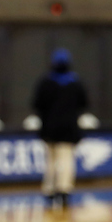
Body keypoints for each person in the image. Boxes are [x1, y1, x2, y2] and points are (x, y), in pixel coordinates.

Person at [31, 48, 88, 210]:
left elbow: (36, 104)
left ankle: (49, 191)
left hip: (49, 129)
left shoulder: (45, 82)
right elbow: (84, 103)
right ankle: (64, 191)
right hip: (68, 129)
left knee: (50, 161)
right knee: (66, 160)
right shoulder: (75, 83)